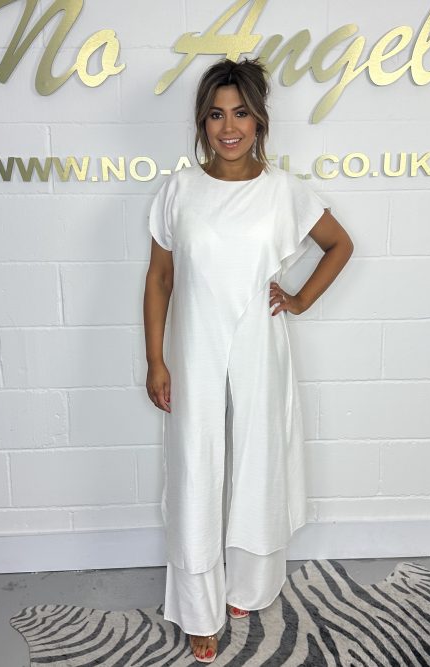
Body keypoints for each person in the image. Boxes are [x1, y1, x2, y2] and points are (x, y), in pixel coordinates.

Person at [143, 56, 354, 663]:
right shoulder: (179, 190)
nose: (229, 127)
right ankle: (197, 608)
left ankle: (249, 586)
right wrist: (155, 359)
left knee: (260, 461)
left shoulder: (284, 191)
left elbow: (339, 245)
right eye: (216, 115)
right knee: (195, 467)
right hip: (194, 345)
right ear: (202, 123)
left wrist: (299, 299)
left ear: (259, 120)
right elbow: (160, 278)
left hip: (261, 339)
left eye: (241, 114)